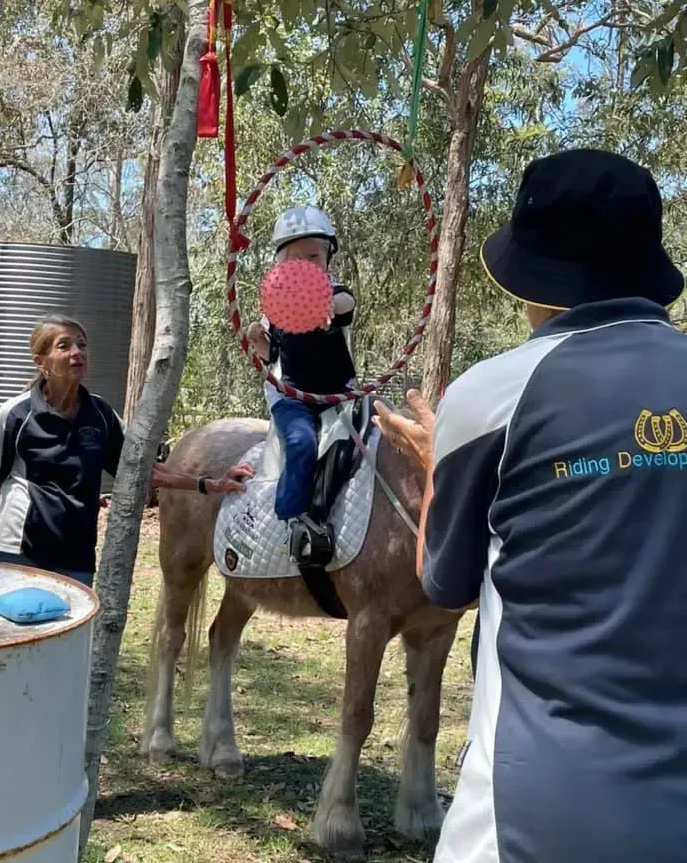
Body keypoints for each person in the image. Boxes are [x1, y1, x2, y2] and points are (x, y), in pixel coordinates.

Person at [374, 149, 687, 863]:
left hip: (531, 810)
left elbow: (443, 583)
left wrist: (431, 463)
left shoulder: (494, 395)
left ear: (537, 279)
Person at [0, 315, 253, 587]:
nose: (77, 353)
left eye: (82, 345)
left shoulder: (100, 414)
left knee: (72, 632)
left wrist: (210, 483)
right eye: (64, 346)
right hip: (19, 550)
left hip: (76, 554)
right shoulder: (15, 415)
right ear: (41, 362)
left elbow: (144, 471)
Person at [246, 206, 356, 550]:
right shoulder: (275, 309)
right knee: (301, 443)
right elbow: (269, 356)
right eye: (298, 258)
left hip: (339, 394)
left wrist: (327, 303)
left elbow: (345, 302)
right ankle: (292, 519)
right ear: (281, 265)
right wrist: (256, 337)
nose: (308, 264)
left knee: (367, 438)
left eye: (315, 255)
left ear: (328, 258)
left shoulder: (335, 294)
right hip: (292, 396)